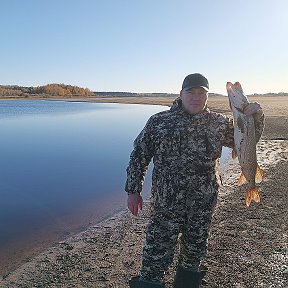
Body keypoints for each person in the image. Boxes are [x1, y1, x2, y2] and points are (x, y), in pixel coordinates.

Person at [125, 73, 264, 288]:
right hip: (165, 206)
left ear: (207, 96)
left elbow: (247, 142)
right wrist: (133, 190)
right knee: (154, 259)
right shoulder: (159, 122)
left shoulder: (219, 123)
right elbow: (139, 155)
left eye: (202, 93)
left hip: (203, 205)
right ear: (181, 94)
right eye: (191, 92)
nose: (196, 97)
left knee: (192, 260)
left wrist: (256, 117)